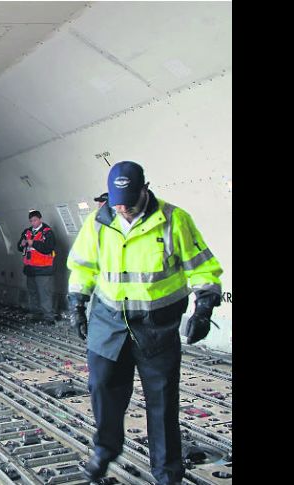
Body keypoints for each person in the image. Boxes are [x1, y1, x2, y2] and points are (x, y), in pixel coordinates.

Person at [66, 161, 222, 485]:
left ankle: (167, 474)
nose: (122, 208)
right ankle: (106, 449)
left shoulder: (174, 220)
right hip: (109, 322)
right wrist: (77, 305)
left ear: (145, 189)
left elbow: (202, 267)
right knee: (101, 387)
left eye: (128, 201)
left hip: (157, 327)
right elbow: (82, 267)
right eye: (116, 202)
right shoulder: (98, 222)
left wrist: (204, 308)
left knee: (162, 402)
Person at [17, 210, 57, 324]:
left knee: (44, 294)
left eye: (35, 220)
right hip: (30, 269)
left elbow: (48, 248)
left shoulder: (47, 232)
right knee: (32, 293)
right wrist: (21, 244)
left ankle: (48, 317)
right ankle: (35, 314)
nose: (33, 223)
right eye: (31, 221)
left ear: (40, 219)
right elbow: (19, 247)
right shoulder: (27, 232)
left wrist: (33, 243)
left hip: (43, 269)